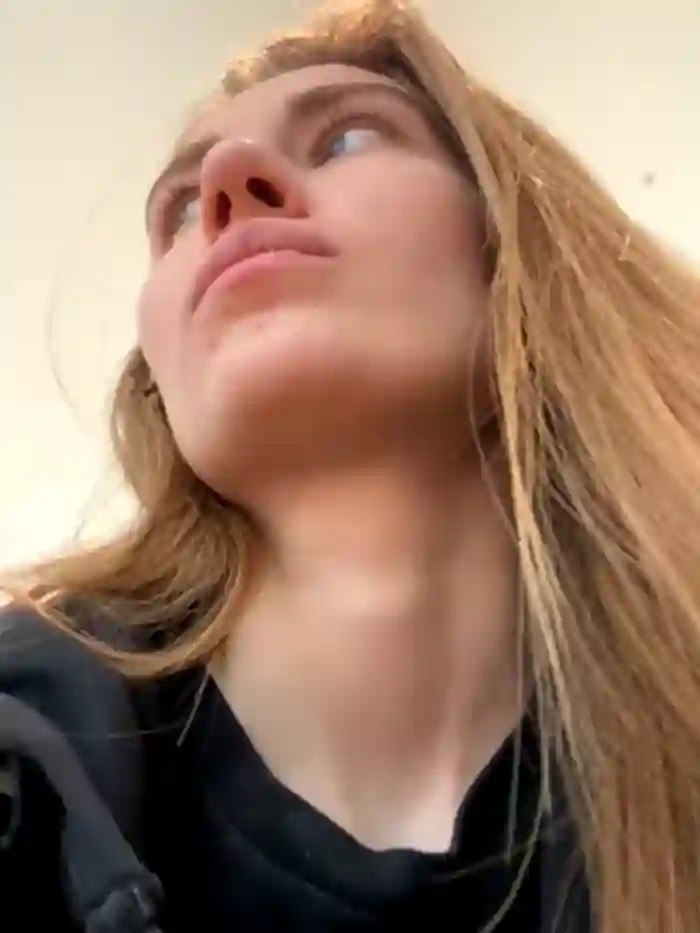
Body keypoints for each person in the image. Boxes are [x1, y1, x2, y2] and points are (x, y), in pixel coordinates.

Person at [2, 0, 700, 929]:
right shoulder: (24, 765)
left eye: (347, 138)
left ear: (518, 251)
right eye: (179, 210)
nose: (228, 181)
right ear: (159, 383)